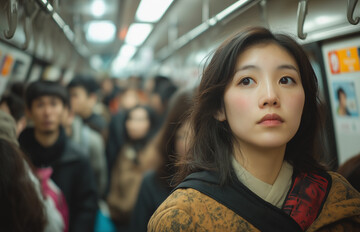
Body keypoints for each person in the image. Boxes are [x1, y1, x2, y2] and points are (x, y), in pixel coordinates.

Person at [148, 27, 360, 231]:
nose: (270, 96)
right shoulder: (183, 218)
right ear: (219, 108)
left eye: (286, 80)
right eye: (247, 81)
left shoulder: (340, 201)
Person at [19, 80, 98, 232]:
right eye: (40, 105)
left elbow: (86, 209)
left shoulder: (78, 159)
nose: (47, 112)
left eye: (54, 104)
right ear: (28, 111)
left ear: (65, 111)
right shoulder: (18, 155)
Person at [129, 88, 194, 232]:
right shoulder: (152, 183)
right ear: (171, 139)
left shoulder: (224, 188)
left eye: (199, 135)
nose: (192, 145)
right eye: (183, 135)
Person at [107, 104, 157, 230]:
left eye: (140, 120)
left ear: (150, 123)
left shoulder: (155, 154)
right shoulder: (125, 150)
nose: (133, 124)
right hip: (120, 219)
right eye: (130, 119)